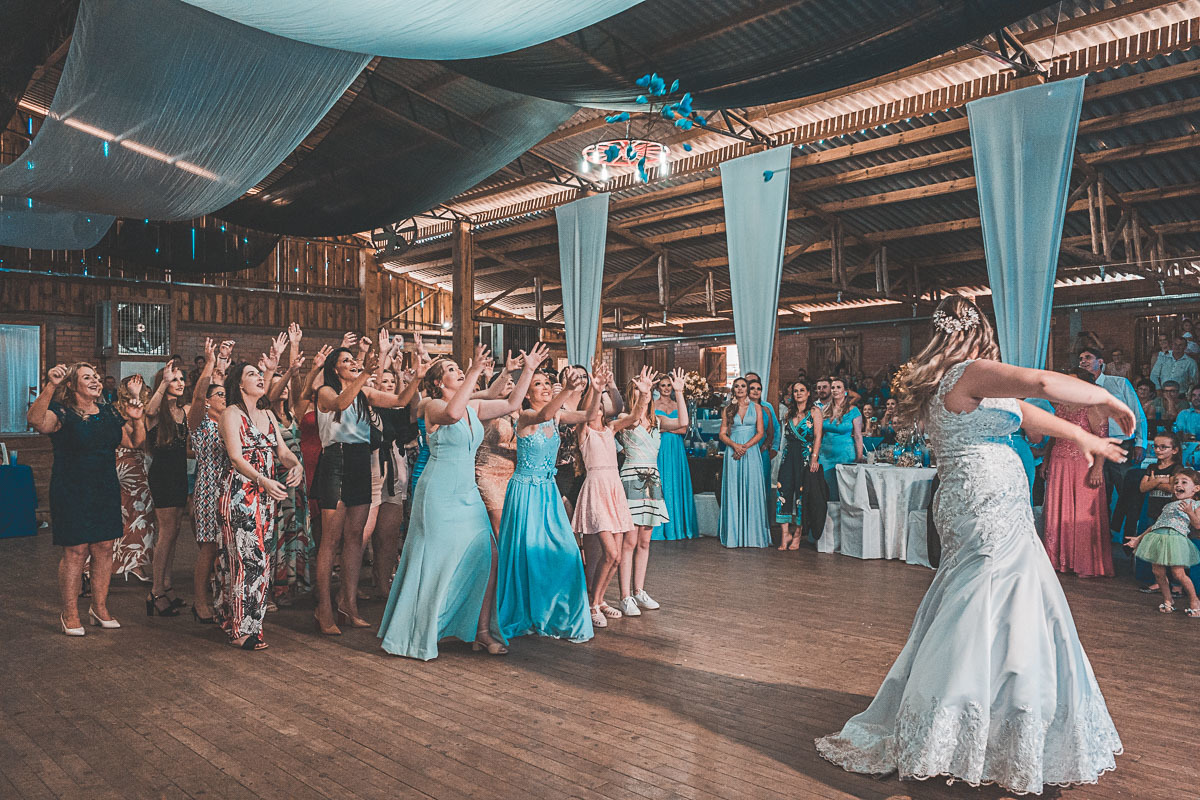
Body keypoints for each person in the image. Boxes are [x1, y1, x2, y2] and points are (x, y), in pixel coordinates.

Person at [816, 296, 1127, 795]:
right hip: (983, 502)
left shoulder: (959, 381)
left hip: (987, 500)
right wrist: (1104, 400)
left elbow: (1027, 411)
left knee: (1006, 600)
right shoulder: (971, 370)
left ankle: (996, 712)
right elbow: (1043, 385)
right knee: (987, 599)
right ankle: (959, 718)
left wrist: (1083, 438)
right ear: (978, 332)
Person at [378, 343, 547, 660]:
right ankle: (423, 629)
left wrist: (529, 370)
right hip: (438, 493)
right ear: (440, 382)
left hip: (467, 493)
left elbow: (512, 401)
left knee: (489, 554)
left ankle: (482, 632)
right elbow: (452, 413)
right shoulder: (430, 406)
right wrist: (473, 372)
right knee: (437, 560)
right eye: (452, 370)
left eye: (460, 368)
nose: (459, 371)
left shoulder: (475, 409)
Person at [27, 362, 145, 635]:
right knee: (76, 550)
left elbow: (134, 442)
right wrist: (51, 385)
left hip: (104, 487)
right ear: (72, 385)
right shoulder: (61, 412)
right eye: (87, 377)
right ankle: (69, 612)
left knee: (104, 547)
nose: (95, 381)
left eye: (96, 377)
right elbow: (35, 420)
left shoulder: (108, 412)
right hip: (71, 489)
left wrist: (138, 418)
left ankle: (99, 607)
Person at [312, 336, 409, 634]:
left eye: (354, 361)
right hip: (335, 461)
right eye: (346, 362)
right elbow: (341, 402)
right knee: (331, 539)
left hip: (361, 462)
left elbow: (400, 402)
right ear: (335, 369)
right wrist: (366, 372)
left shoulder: (365, 392)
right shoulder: (325, 391)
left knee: (355, 537)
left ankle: (348, 605)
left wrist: (414, 376)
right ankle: (323, 607)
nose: (353, 364)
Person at [495, 367, 595, 642]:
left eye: (547, 383)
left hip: (547, 492)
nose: (546, 387)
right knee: (529, 555)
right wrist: (565, 390)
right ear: (527, 394)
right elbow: (544, 414)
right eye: (538, 384)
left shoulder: (558, 415)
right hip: (525, 492)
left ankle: (553, 613)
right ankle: (528, 611)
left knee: (568, 553)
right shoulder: (526, 416)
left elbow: (589, 415)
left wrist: (595, 389)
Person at [216, 360, 303, 650]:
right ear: (239, 384)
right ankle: (241, 629)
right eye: (251, 374)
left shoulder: (267, 413)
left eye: (259, 373)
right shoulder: (231, 413)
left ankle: (251, 622)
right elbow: (236, 458)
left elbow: (282, 450)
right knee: (245, 561)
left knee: (262, 561)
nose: (258, 378)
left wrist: (296, 465)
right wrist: (262, 480)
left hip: (265, 497)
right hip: (241, 493)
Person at [615, 366, 686, 614]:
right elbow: (634, 418)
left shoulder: (657, 420)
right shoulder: (625, 418)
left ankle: (639, 591)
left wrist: (679, 392)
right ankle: (624, 596)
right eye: (636, 388)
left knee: (645, 540)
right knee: (629, 540)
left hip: (652, 479)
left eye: (644, 388)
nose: (641, 392)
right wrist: (645, 396)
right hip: (632, 476)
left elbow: (684, 423)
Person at [573, 361, 636, 629]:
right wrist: (596, 389)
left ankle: (599, 601)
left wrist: (643, 394)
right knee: (609, 553)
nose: (597, 410)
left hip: (614, 488)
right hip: (596, 488)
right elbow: (587, 412)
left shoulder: (610, 430)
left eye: (600, 407)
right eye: (594, 407)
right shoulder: (584, 431)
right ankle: (590, 602)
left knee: (618, 556)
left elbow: (633, 418)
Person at [1041, 368, 1113, 578]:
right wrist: (1046, 461)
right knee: (1058, 510)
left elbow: (1103, 441)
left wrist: (1098, 468)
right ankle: (1059, 560)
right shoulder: (1061, 406)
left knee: (1082, 512)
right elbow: (1054, 435)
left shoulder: (1094, 407)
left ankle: (1085, 563)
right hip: (1059, 461)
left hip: (1083, 464)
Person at [1079, 346, 1148, 543]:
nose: (1083, 361)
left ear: (1100, 362)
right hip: (1093, 446)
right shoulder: (1079, 387)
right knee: (1099, 494)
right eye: (1081, 358)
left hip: (1121, 444)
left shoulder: (1118, 383)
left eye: (1088, 357)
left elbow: (1137, 414)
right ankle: (1102, 539)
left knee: (1127, 491)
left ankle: (1129, 539)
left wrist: (1140, 443)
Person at [144, 361, 192, 616]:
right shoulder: (155, 411)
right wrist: (163, 381)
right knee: (166, 532)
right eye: (175, 379)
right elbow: (149, 409)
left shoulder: (183, 411)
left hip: (179, 474)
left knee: (174, 533)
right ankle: (155, 591)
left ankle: (168, 585)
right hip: (162, 476)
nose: (180, 383)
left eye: (182, 379)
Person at [188, 339, 230, 624]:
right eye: (219, 395)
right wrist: (211, 363)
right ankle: (199, 600)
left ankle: (224, 597)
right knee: (209, 546)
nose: (224, 398)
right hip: (208, 487)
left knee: (227, 545)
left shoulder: (231, 420)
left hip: (230, 486)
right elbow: (196, 397)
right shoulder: (200, 423)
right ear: (207, 401)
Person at [1125, 469, 1200, 617]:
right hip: (1157, 538)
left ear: (1196, 488)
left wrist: (1190, 512)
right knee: (1158, 572)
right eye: (1176, 482)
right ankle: (1168, 600)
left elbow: (1197, 525)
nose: (1178, 485)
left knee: (1178, 573)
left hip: (1175, 539)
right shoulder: (1168, 506)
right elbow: (1156, 525)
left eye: (1184, 482)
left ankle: (1195, 601)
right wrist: (1139, 538)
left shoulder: (1195, 504)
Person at [718, 376, 769, 548]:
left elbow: (761, 432)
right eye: (737, 386)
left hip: (751, 452)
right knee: (733, 490)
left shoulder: (757, 408)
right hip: (732, 453)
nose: (740, 389)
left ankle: (753, 535)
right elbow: (722, 433)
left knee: (752, 489)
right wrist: (734, 446)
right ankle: (734, 535)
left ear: (747, 389)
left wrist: (744, 447)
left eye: (743, 386)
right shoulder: (728, 409)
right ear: (733, 389)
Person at [112, 375, 155, 583]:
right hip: (129, 467)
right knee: (139, 515)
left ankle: (130, 564)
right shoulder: (121, 411)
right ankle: (134, 564)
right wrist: (137, 397)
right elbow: (137, 441)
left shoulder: (123, 408)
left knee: (128, 516)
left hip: (127, 464)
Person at [775, 380, 825, 550]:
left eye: (802, 390)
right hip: (789, 455)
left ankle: (797, 534)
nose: (798, 394)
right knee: (784, 490)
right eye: (795, 391)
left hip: (805, 454)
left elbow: (818, 436)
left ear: (808, 393)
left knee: (802, 495)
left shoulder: (815, 412)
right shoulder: (789, 413)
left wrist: (814, 458)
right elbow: (783, 437)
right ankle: (785, 534)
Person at [651, 370, 697, 541]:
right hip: (660, 446)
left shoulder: (678, 404)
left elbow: (684, 429)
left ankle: (677, 526)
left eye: (669, 385)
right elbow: (652, 426)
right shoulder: (653, 405)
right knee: (661, 482)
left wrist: (664, 426)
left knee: (675, 481)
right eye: (663, 385)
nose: (666, 388)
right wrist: (669, 427)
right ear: (658, 387)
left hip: (676, 447)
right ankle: (660, 528)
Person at [817, 377, 864, 501]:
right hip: (825, 456)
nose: (835, 390)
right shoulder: (824, 409)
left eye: (838, 387)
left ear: (846, 391)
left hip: (845, 455)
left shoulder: (853, 410)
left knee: (843, 492)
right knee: (826, 491)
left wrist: (859, 457)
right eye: (833, 387)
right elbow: (819, 434)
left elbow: (858, 436)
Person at [747, 377, 780, 520]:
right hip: (746, 451)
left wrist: (766, 446)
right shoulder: (742, 408)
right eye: (752, 388)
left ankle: (763, 521)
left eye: (758, 389)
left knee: (763, 486)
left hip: (761, 451)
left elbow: (772, 432)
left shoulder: (766, 409)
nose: (755, 391)